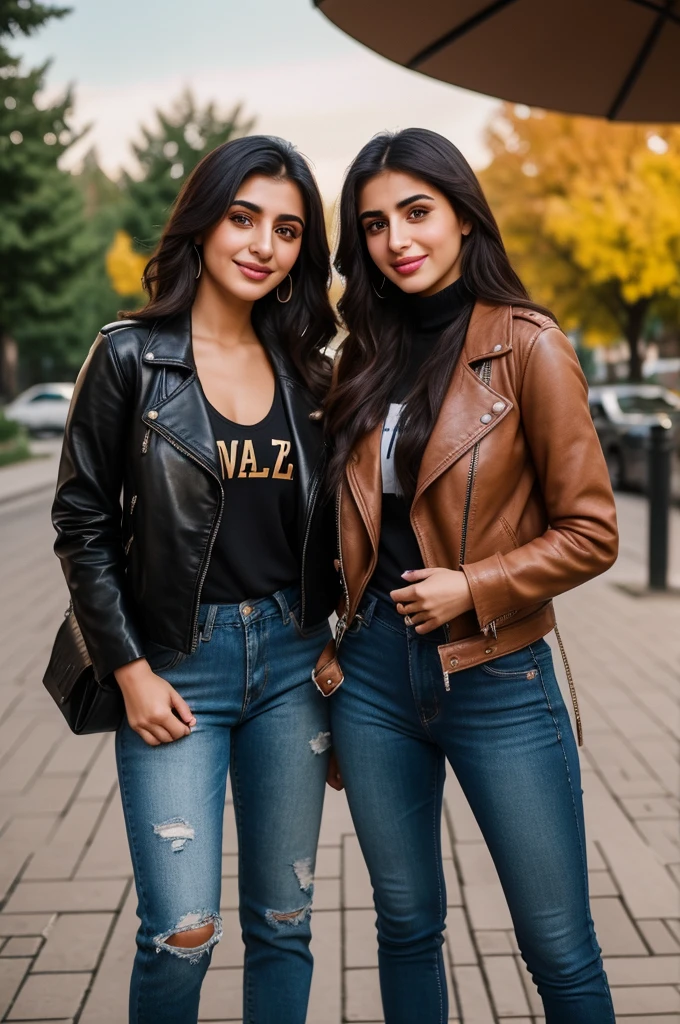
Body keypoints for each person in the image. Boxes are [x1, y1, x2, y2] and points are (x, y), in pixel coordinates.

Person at [318, 128, 618, 1024]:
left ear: (461, 217)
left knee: (558, 946)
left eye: (417, 212)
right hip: (373, 677)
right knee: (405, 923)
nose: (396, 239)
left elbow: (593, 531)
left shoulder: (530, 346)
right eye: (373, 224)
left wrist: (474, 585)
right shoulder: (358, 360)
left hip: (498, 674)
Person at [52, 135, 339, 1024]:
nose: (263, 244)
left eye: (288, 230)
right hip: (176, 666)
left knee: (285, 921)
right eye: (243, 217)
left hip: (292, 662)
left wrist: (342, 643)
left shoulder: (310, 374)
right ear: (203, 225)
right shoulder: (129, 357)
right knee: (182, 929)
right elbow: (81, 523)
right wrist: (128, 669)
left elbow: (344, 533)